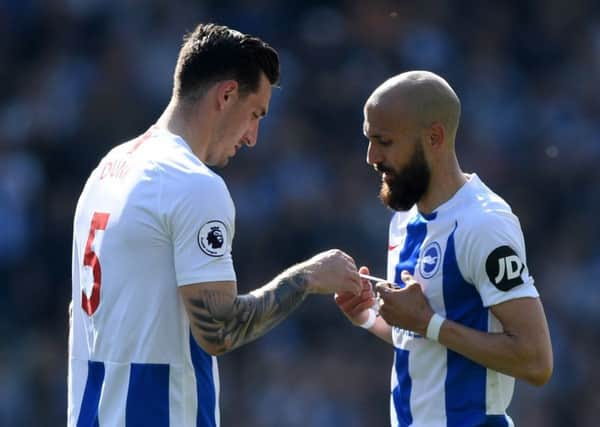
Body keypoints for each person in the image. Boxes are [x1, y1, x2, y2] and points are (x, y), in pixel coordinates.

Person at [68, 23, 362, 427]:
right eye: (255, 114)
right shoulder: (192, 184)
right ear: (226, 95)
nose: (253, 137)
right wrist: (307, 278)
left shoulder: (108, 170)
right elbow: (219, 331)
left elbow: (78, 315)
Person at [335, 71, 553, 427]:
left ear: (434, 137)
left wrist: (427, 322)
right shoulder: (404, 220)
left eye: (384, 141)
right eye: (368, 139)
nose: (371, 156)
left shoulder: (484, 224)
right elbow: (426, 343)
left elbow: (535, 361)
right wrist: (369, 316)